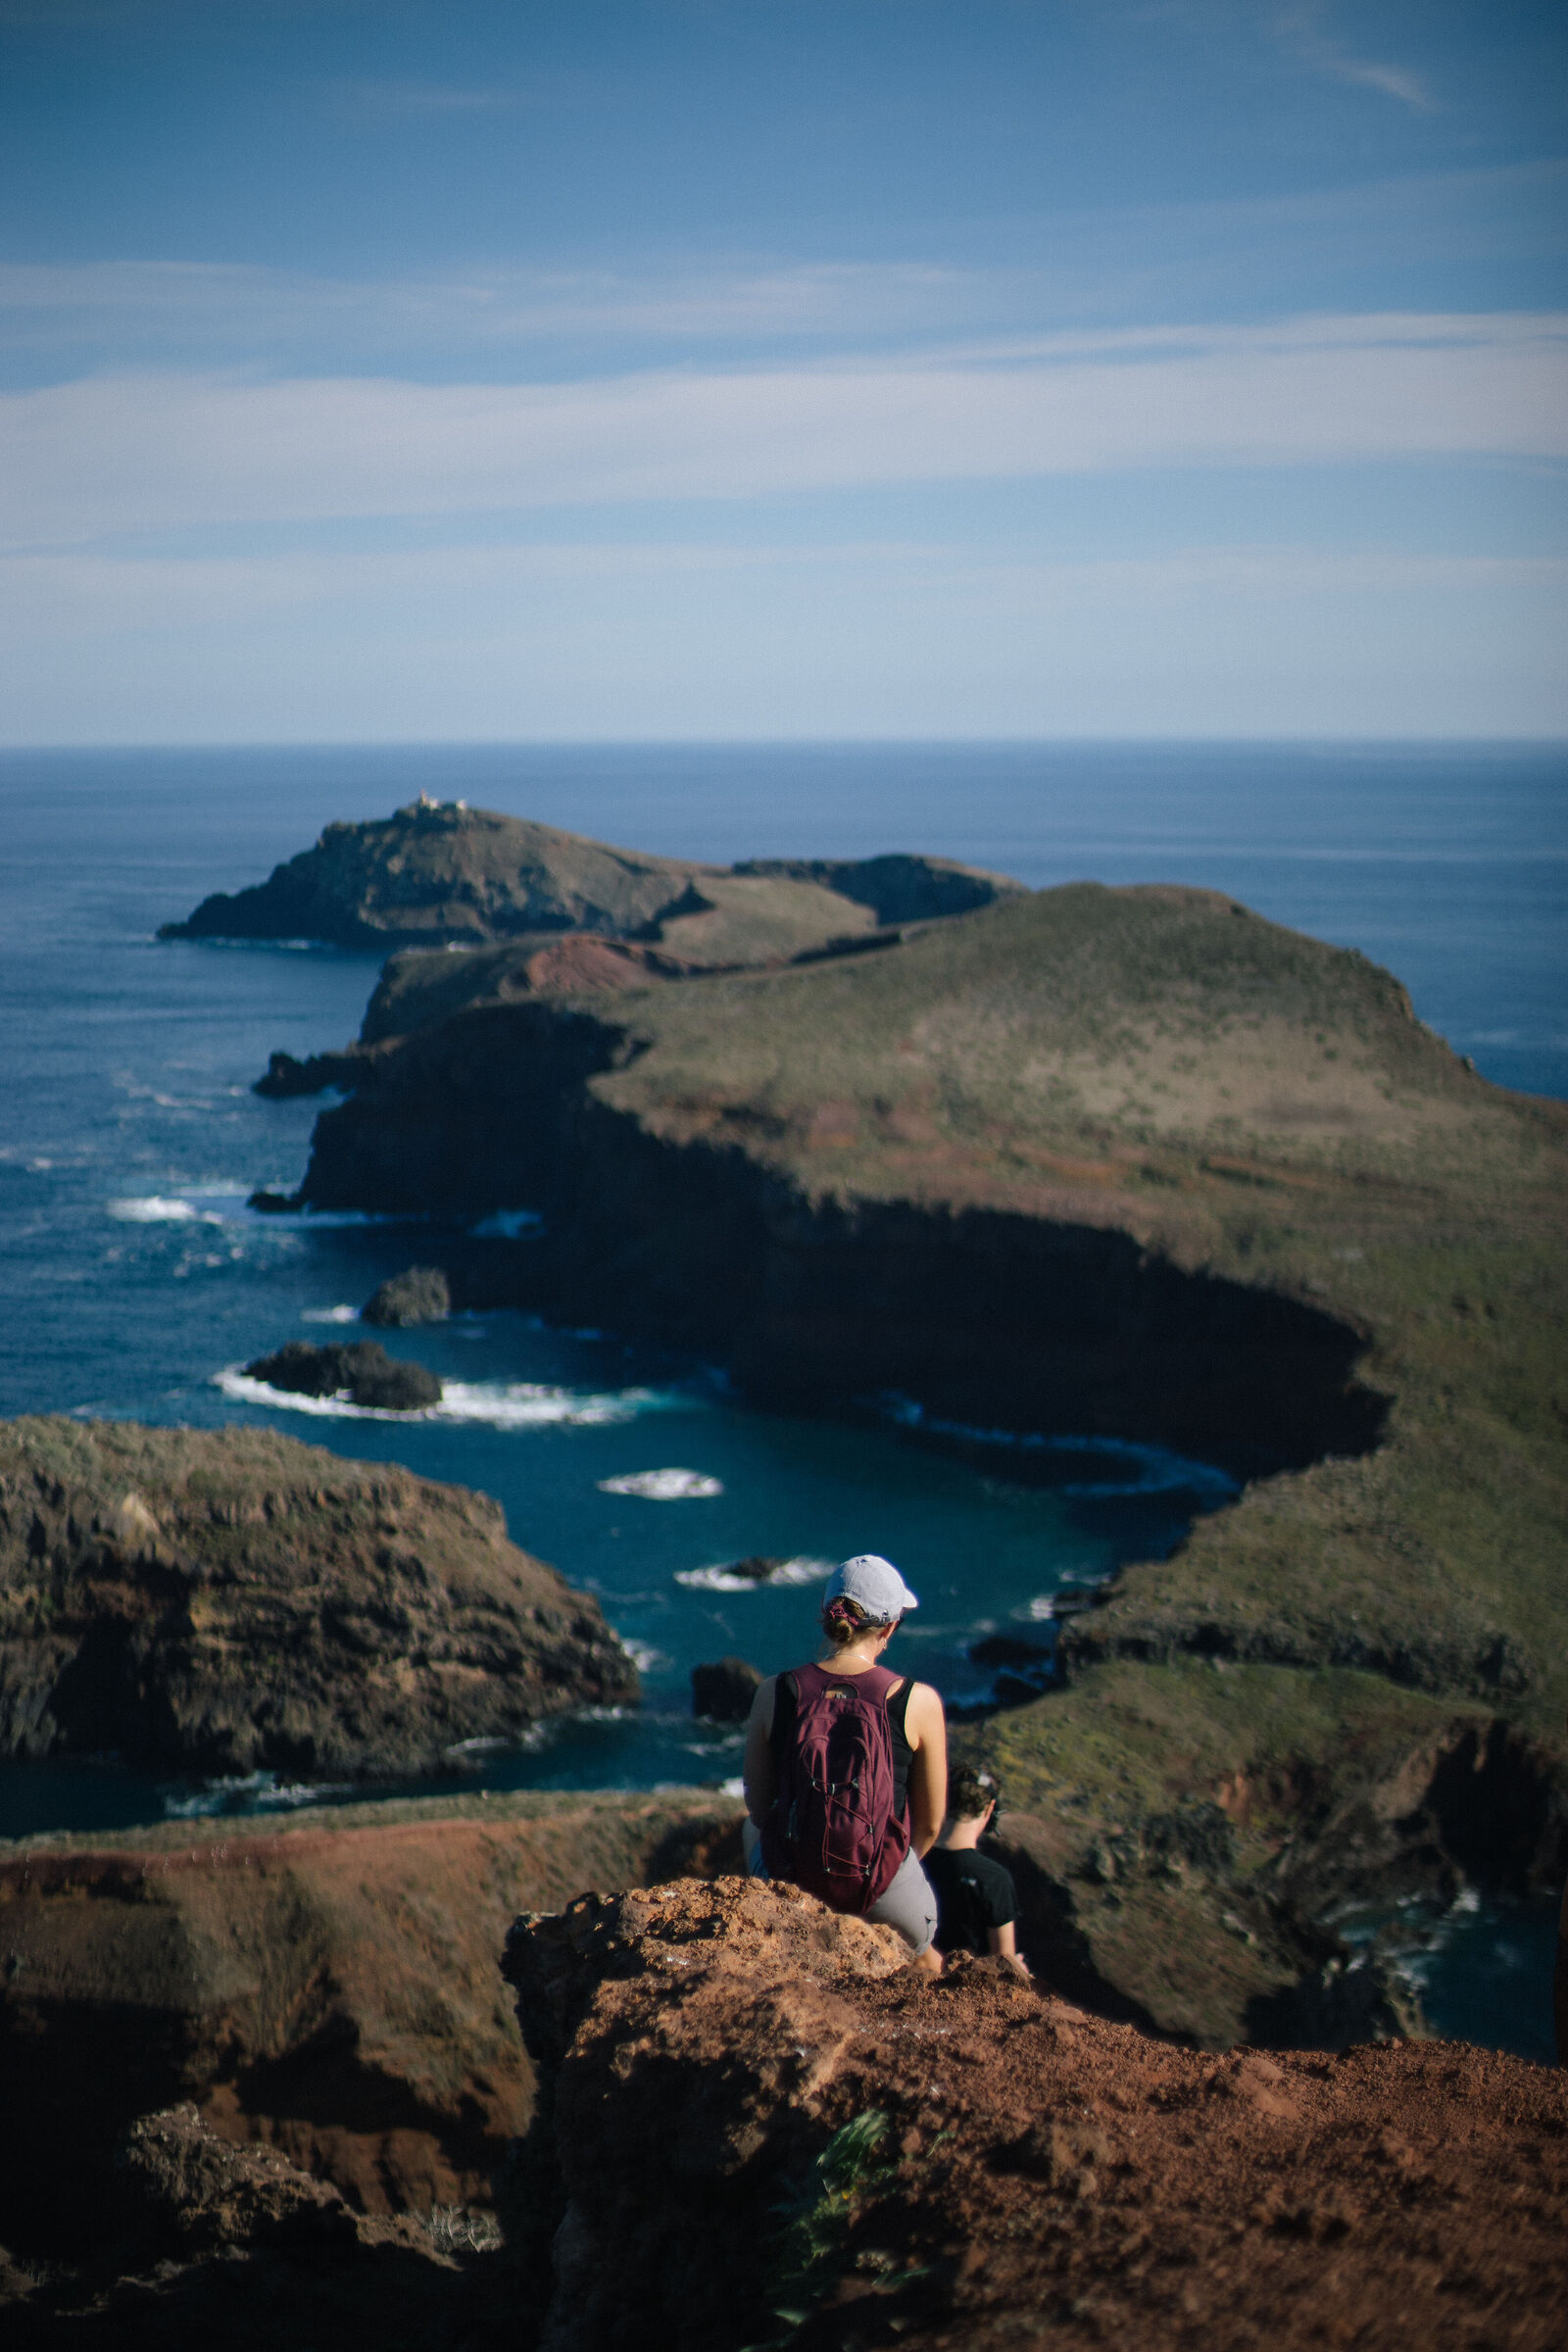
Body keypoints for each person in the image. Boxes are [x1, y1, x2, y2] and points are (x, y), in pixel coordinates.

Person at [743, 1553, 947, 1973]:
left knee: (749, 1827)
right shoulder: (917, 1700)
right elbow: (928, 1825)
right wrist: (881, 1868)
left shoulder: (775, 1691)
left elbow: (760, 1809)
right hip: (885, 1890)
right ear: (889, 1626)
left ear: (827, 1617)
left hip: (795, 1883)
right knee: (926, 1958)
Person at [924, 1765, 1031, 1980]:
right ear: (990, 1809)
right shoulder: (994, 1879)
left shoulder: (915, 1860)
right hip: (964, 1988)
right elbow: (1003, 1963)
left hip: (915, 1971)